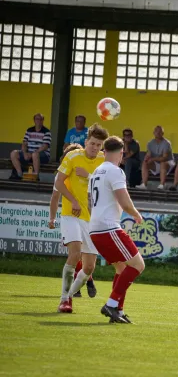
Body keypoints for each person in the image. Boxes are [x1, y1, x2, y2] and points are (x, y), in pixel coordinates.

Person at [88, 136, 145, 323]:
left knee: (121, 269)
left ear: (104, 151)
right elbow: (124, 201)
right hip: (108, 228)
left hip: (95, 229)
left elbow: (90, 204)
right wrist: (136, 214)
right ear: (121, 153)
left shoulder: (95, 171)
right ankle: (111, 305)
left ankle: (117, 311)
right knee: (138, 265)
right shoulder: (115, 171)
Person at [53, 123, 109, 313]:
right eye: (92, 143)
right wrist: (73, 201)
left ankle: (69, 296)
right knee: (75, 253)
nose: (95, 148)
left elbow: (109, 185)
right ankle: (64, 300)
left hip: (92, 220)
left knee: (89, 267)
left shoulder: (104, 160)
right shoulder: (73, 156)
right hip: (71, 214)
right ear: (86, 142)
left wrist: (89, 175)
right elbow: (59, 183)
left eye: (98, 145)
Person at [49, 143, 97, 299]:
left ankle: (87, 279)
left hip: (88, 219)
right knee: (75, 253)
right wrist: (53, 217)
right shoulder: (62, 176)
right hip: (70, 216)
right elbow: (55, 196)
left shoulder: (87, 173)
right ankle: (67, 296)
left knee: (87, 263)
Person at [9, 113, 52, 180]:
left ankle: (36, 176)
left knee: (35, 154)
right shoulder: (29, 130)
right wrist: (24, 153)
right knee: (13, 153)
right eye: (37, 119)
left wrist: (32, 154)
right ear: (34, 120)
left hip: (42, 155)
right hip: (29, 153)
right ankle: (19, 174)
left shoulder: (46, 132)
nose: (39, 121)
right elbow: (24, 144)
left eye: (41, 119)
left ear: (43, 120)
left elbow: (45, 146)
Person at [136, 125, 175, 190]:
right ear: (154, 133)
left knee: (163, 163)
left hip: (168, 163)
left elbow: (164, 158)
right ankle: (144, 184)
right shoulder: (150, 143)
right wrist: (146, 159)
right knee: (145, 163)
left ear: (163, 133)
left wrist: (153, 159)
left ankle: (162, 184)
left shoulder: (166, 143)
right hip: (156, 163)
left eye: (160, 132)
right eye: (156, 131)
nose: (158, 133)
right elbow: (148, 154)